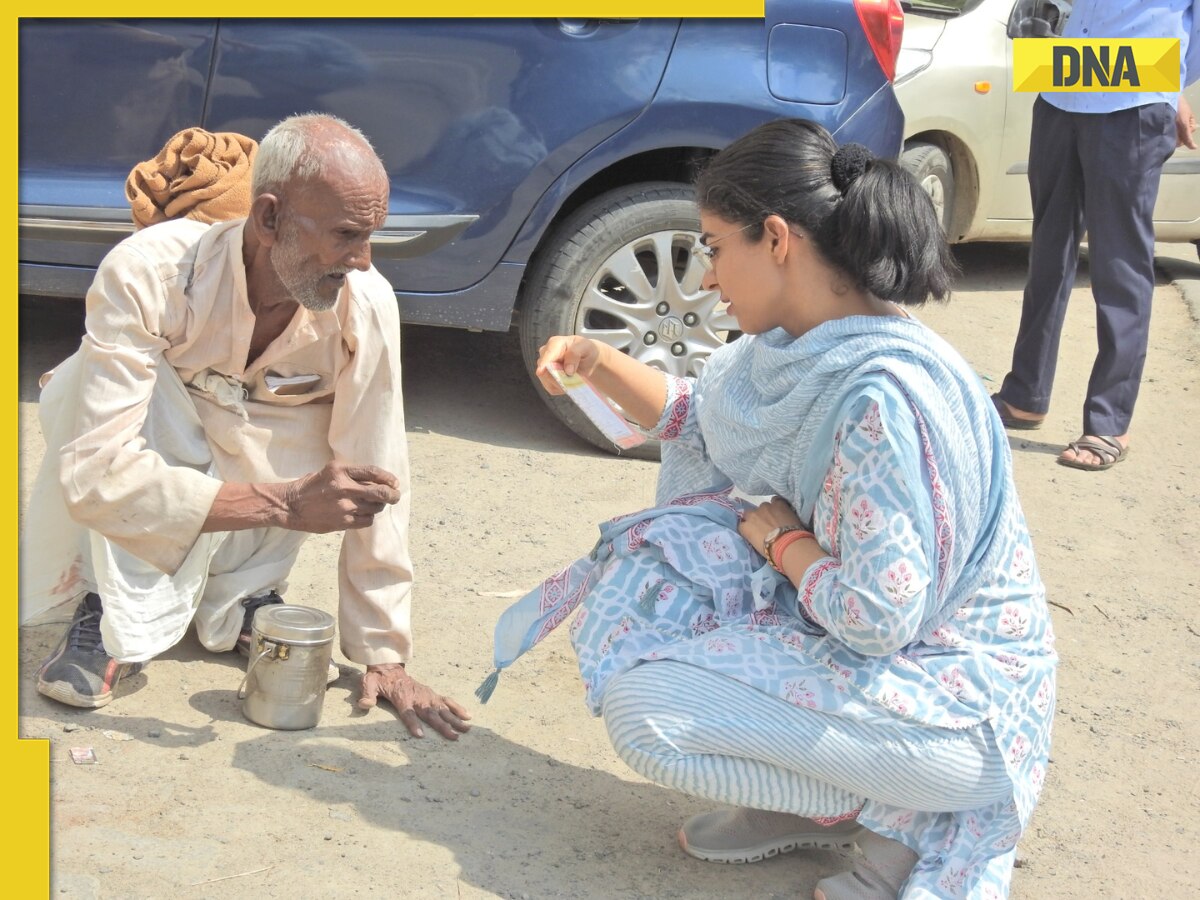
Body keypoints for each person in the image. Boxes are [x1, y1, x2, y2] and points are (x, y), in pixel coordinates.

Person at [482, 120, 1057, 898]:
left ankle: (905, 817)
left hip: (963, 712)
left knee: (650, 710)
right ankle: (806, 798)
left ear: (777, 239)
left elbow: (878, 617)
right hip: (893, 665)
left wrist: (785, 542)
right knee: (665, 587)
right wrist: (600, 361)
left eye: (716, 247)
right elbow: (701, 416)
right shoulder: (803, 346)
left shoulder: (878, 397)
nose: (711, 277)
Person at [22, 113, 470, 741]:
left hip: (250, 509)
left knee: (310, 437)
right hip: (179, 472)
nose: (363, 260)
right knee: (85, 392)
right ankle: (109, 605)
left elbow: (378, 470)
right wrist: (284, 502)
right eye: (346, 235)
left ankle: (241, 598)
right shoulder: (150, 273)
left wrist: (384, 653)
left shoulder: (365, 304)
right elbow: (96, 472)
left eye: (371, 236)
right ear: (268, 219)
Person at [993, 0, 1200, 471]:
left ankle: (1109, 421)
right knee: (1047, 252)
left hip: (1135, 92)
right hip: (1061, 82)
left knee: (1118, 264)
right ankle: (1026, 394)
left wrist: (1172, 86)